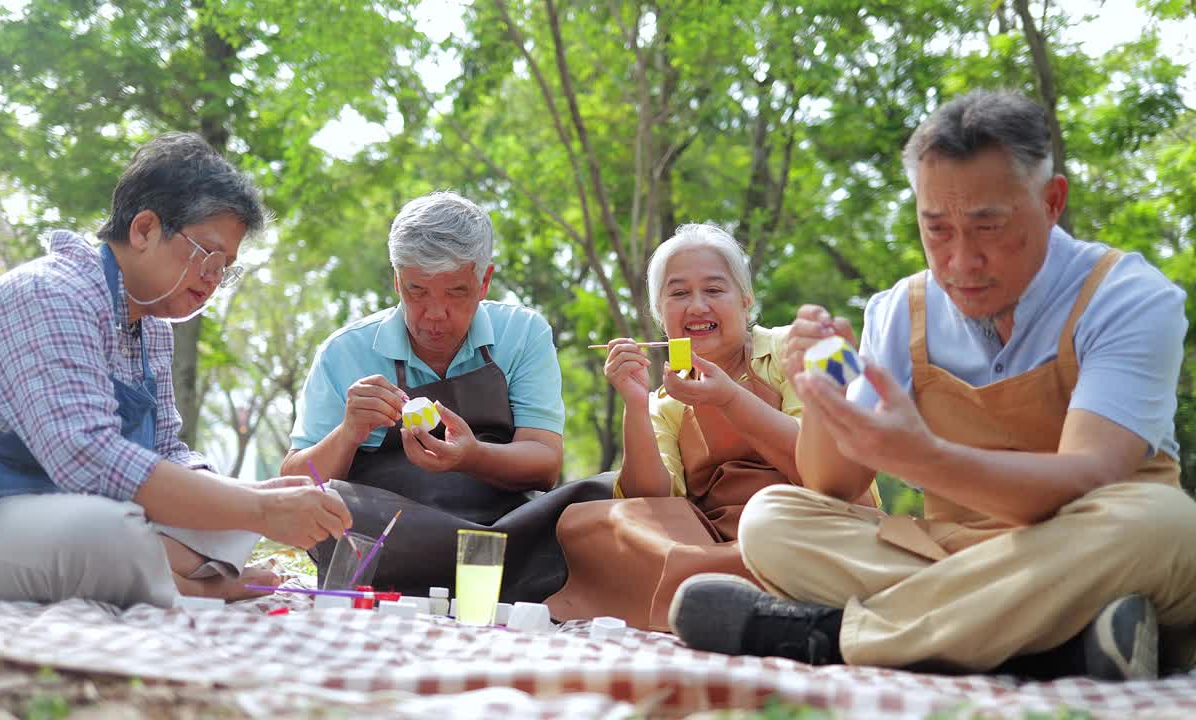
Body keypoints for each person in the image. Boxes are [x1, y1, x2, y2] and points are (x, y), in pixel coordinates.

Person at [669, 90, 1196, 681]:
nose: (962, 261)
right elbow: (833, 484)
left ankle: (832, 637)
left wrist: (922, 456)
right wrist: (822, 394)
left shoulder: (1126, 296)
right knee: (772, 519)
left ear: (1052, 201)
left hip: (1092, 540)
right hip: (965, 553)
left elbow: (1086, 477)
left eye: (988, 226)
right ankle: (1061, 645)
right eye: (937, 228)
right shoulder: (899, 311)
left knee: (1166, 525)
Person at [0, 133, 352, 608]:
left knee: (227, 520)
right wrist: (261, 509)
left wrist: (256, 494)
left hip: (52, 505)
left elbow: (166, 450)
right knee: (106, 534)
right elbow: (88, 459)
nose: (213, 281)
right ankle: (204, 585)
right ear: (144, 229)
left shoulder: (152, 327)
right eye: (208, 256)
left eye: (225, 268)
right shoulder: (50, 295)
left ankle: (169, 572)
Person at [545, 224, 878, 630]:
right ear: (659, 314)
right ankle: (743, 598)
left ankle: (715, 598)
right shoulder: (664, 400)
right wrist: (634, 403)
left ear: (745, 301)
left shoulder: (794, 348)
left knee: (775, 528)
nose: (697, 306)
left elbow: (829, 472)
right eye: (679, 293)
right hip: (709, 544)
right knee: (592, 520)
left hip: (802, 526)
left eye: (714, 290)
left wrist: (730, 400)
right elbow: (651, 501)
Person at [282, 191, 608, 601]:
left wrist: (471, 457)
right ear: (397, 280)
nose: (435, 315)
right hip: (393, 533)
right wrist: (348, 432)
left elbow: (544, 463)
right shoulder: (344, 352)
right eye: (417, 291)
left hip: (505, 532)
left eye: (456, 292)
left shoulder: (523, 334)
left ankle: (487, 572)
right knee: (328, 502)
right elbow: (294, 484)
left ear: (485, 281)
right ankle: (510, 581)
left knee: (604, 495)